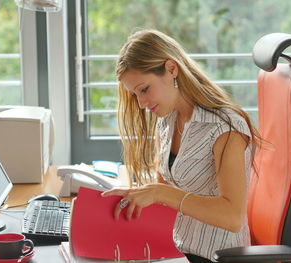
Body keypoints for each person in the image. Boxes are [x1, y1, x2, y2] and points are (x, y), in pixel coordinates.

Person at [101, 29, 262, 263]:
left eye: (144, 89)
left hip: (215, 257)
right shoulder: (167, 120)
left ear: (171, 69)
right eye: (136, 95)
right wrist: (133, 199)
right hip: (174, 252)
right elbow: (162, 197)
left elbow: (232, 216)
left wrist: (160, 193)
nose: (143, 103)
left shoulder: (226, 127)